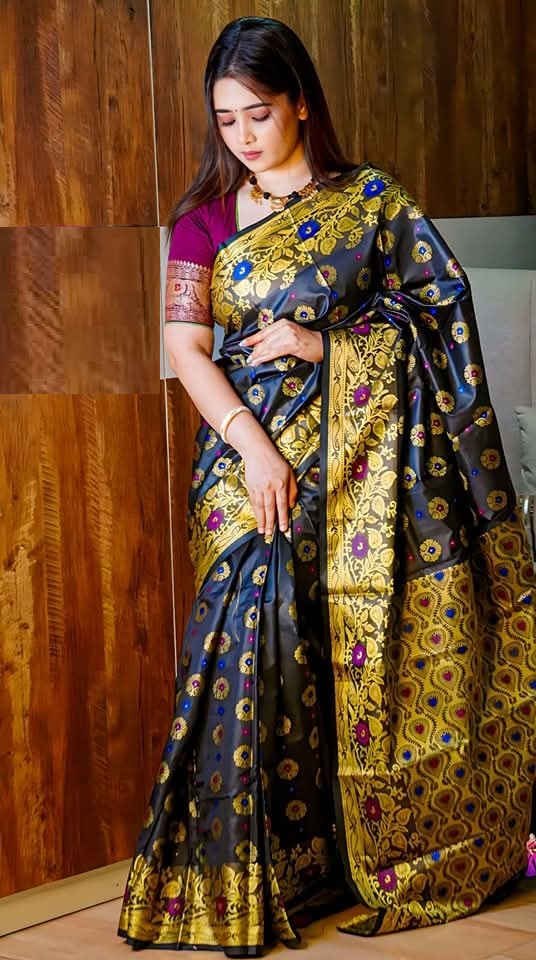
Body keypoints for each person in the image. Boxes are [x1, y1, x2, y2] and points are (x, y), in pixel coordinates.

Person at [118, 15, 536, 955]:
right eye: (225, 120)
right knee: (250, 630)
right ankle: (236, 882)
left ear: (301, 103)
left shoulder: (373, 202)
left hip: (366, 469)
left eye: (258, 114)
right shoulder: (203, 221)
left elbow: (440, 315)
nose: (241, 136)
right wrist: (254, 448)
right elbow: (186, 351)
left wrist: (325, 344)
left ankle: (344, 863)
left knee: (340, 643)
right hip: (243, 459)